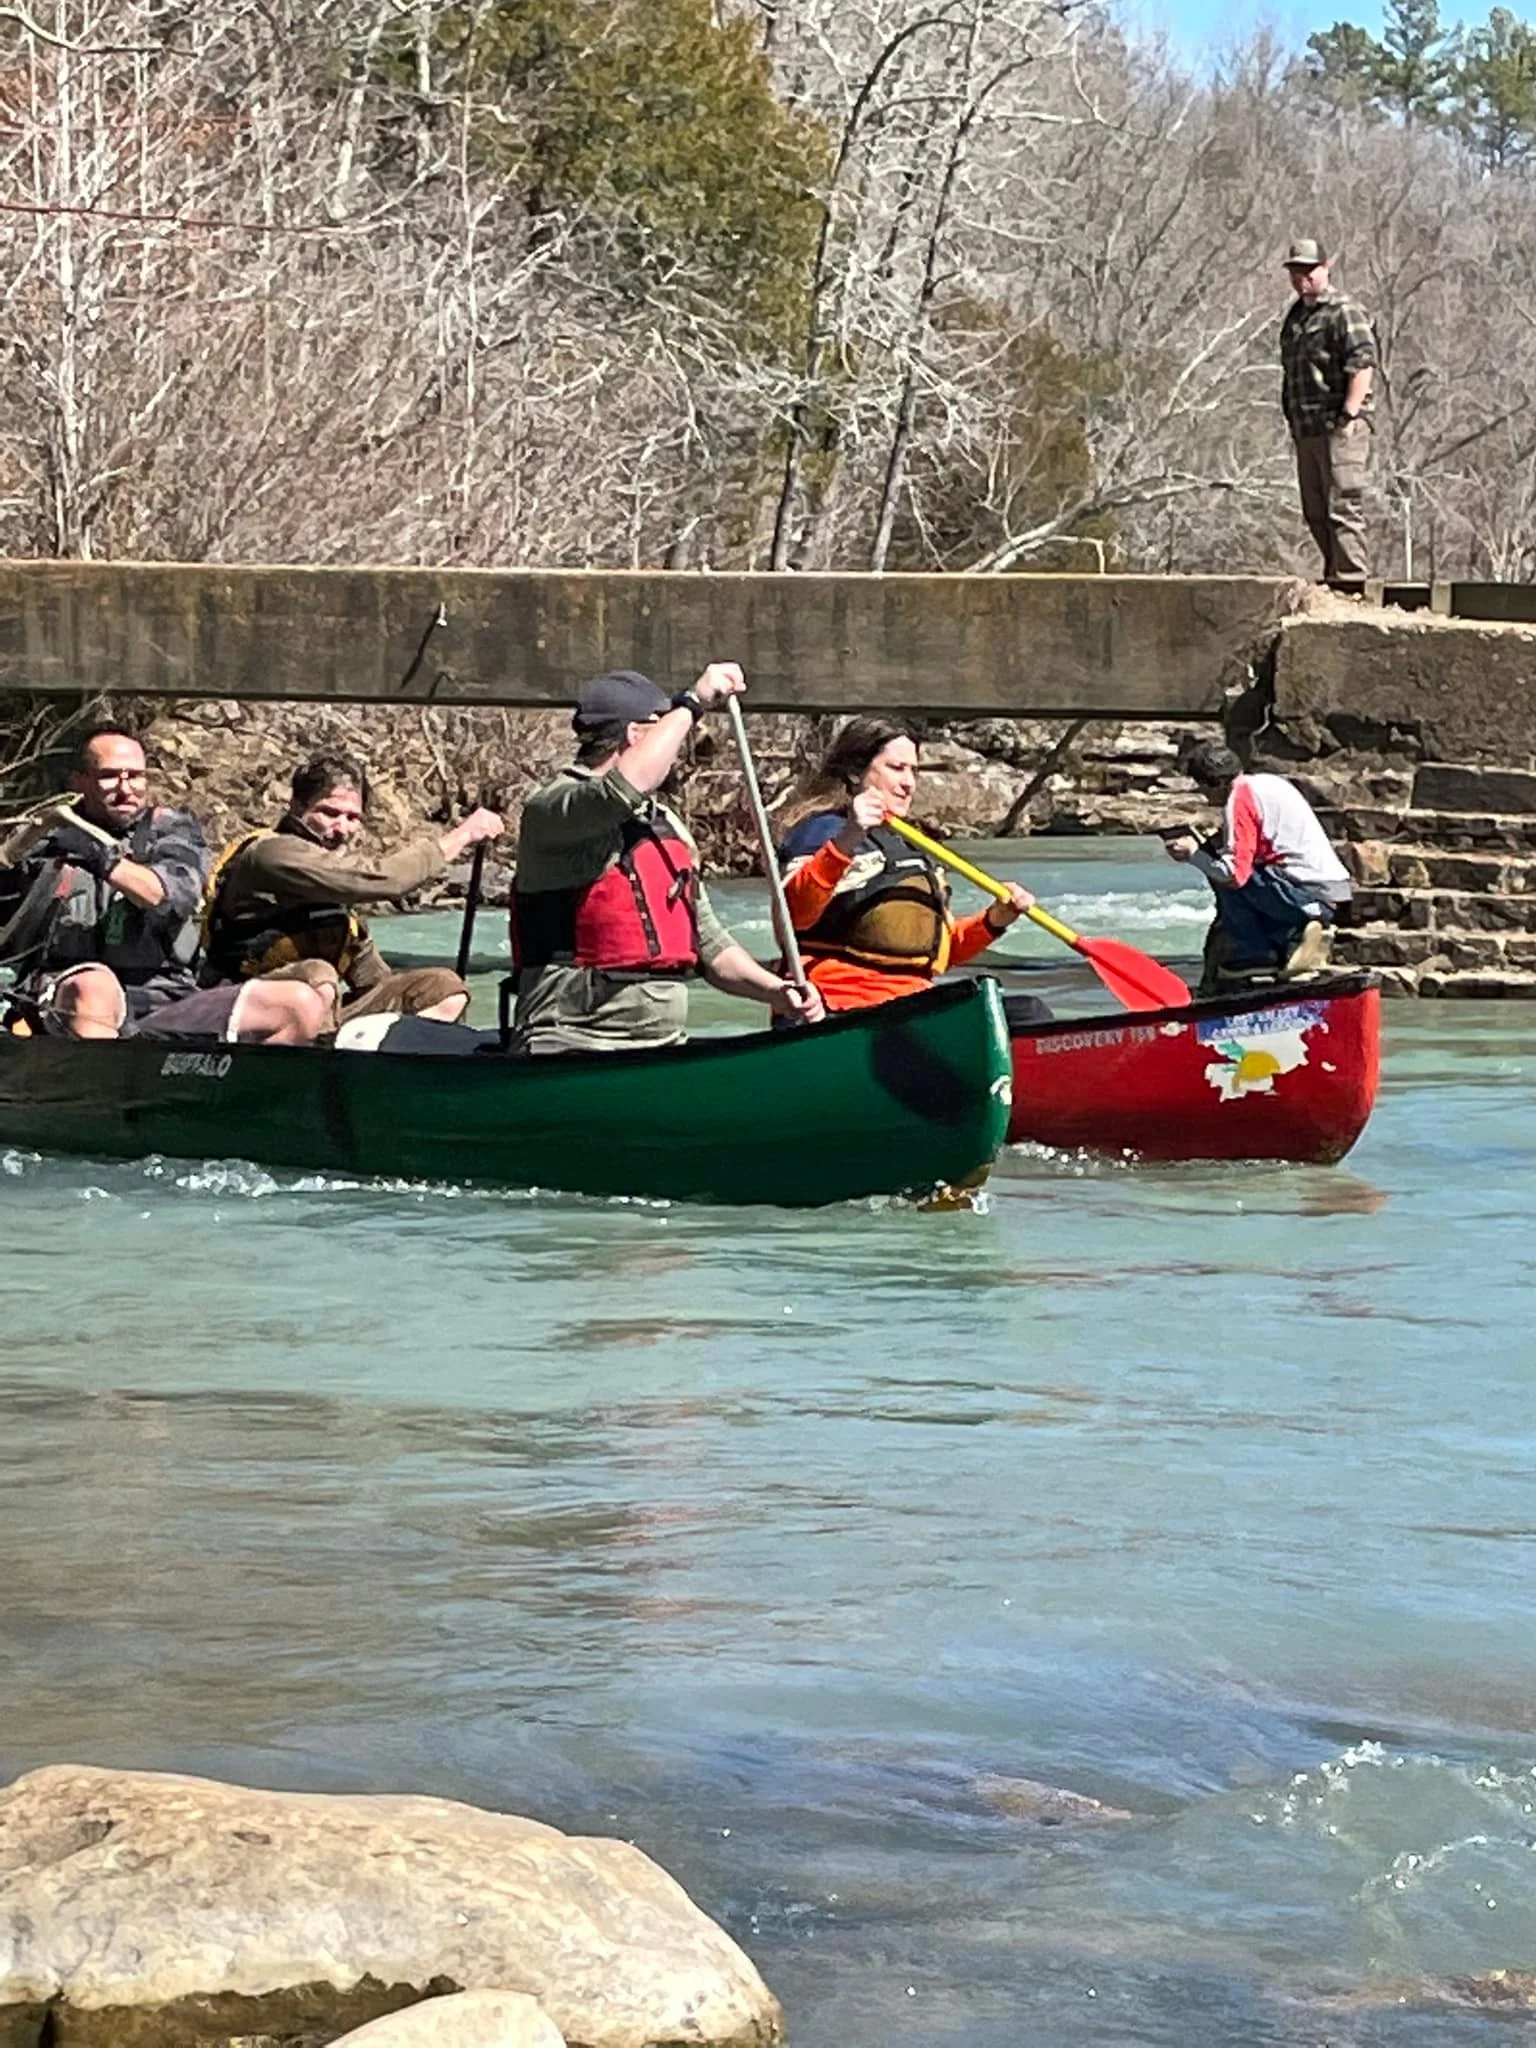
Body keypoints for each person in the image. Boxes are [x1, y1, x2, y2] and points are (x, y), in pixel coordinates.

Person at [509, 665, 823, 1053]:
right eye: (663, 728)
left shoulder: (667, 823)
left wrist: (776, 991)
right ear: (635, 735)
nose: (677, 741)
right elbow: (622, 790)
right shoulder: (555, 809)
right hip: (570, 1040)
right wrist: (691, 703)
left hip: (662, 1044)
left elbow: (709, 943)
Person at [0, 724, 331, 1044]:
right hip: (68, 993)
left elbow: (165, 896)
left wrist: (101, 858)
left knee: (299, 1004)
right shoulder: (43, 840)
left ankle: (244, 1097)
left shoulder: (174, 832)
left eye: (136, 776)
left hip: (165, 995)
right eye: (110, 776)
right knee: (94, 988)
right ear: (79, 781)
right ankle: (103, 1095)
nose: (126, 788)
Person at [202, 754, 503, 1024]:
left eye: (353, 818)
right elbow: (388, 880)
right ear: (296, 807)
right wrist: (462, 836)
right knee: (318, 974)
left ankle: (398, 1072)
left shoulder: (332, 883)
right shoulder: (272, 854)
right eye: (330, 813)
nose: (342, 828)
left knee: (441, 987)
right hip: (245, 1007)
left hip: (322, 1015)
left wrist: (402, 1002)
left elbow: (372, 978)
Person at [777, 717, 1035, 1012]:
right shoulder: (822, 831)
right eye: (896, 769)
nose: (909, 783)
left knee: (1025, 1010)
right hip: (840, 1004)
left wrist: (994, 920)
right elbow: (792, 917)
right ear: (854, 772)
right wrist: (848, 838)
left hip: (912, 1003)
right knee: (1023, 1012)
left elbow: (935, 949)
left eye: (914, 771)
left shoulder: (909, 844)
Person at [1163, 740, 1352, 990]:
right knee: (1231, 867)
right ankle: (1297, 935)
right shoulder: (1268, 783)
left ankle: (1256, 955)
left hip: (1304, 898)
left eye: (1203, 788)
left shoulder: (1239, 800)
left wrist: (1194, 854)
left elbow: (1235, 875)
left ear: (1217, 783)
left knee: (1227, 880)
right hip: (1330, 892)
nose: (1205, 797)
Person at [1279, 236, 1378, 592]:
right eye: (1295, 270)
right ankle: (1335, 577)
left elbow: (1363, 362)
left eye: (1308, 269)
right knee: (1315, 509)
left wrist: (1349, 415)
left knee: (1343, 504)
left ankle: (1352, 582)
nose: (1301, 277)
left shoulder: (1343, 311)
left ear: (1325, 268)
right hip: (1307, 428)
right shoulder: (1296, 316)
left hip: (1340, 427)